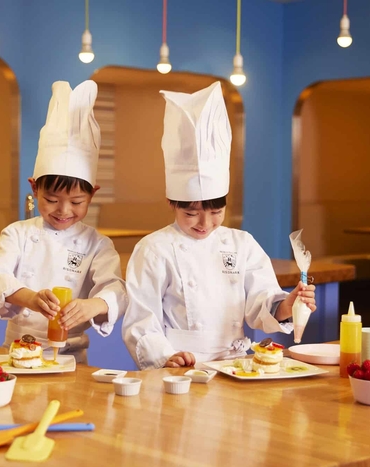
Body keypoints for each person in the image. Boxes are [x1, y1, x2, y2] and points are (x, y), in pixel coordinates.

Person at [122, 82, 316, 370]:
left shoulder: (241, 244)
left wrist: (287, 305)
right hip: (182, 370)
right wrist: (165, 357)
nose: (205, 223)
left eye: (216, 212)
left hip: (236, 368)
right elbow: (141, 321)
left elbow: (261, 302)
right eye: (191, 213)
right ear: (172, 203)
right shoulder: (153, 249)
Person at [0, 80, 127, 364]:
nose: (63, 210)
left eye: (76, 202)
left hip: (73, 357)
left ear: (92, 194)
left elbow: (116, 289)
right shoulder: (16, 234)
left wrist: (94, 305)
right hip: (17, 352)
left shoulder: (97, 244)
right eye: (51, 199)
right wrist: (30, 298)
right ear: (34, 188)